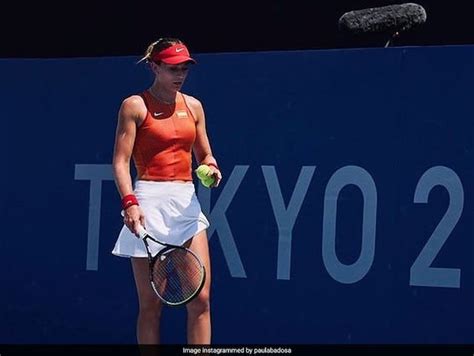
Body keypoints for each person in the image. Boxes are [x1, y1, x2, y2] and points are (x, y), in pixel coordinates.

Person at [111, 37, 222, 345]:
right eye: (173, 68)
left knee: (200, 299)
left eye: (184, 68)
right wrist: (130, 203)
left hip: (186, 203)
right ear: (153, 67)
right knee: (151, 305)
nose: (180, 75)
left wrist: (211, 168)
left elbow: (205, 154)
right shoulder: (134, 106)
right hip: (148, 203)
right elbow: (120, 162)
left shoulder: (195, 107)